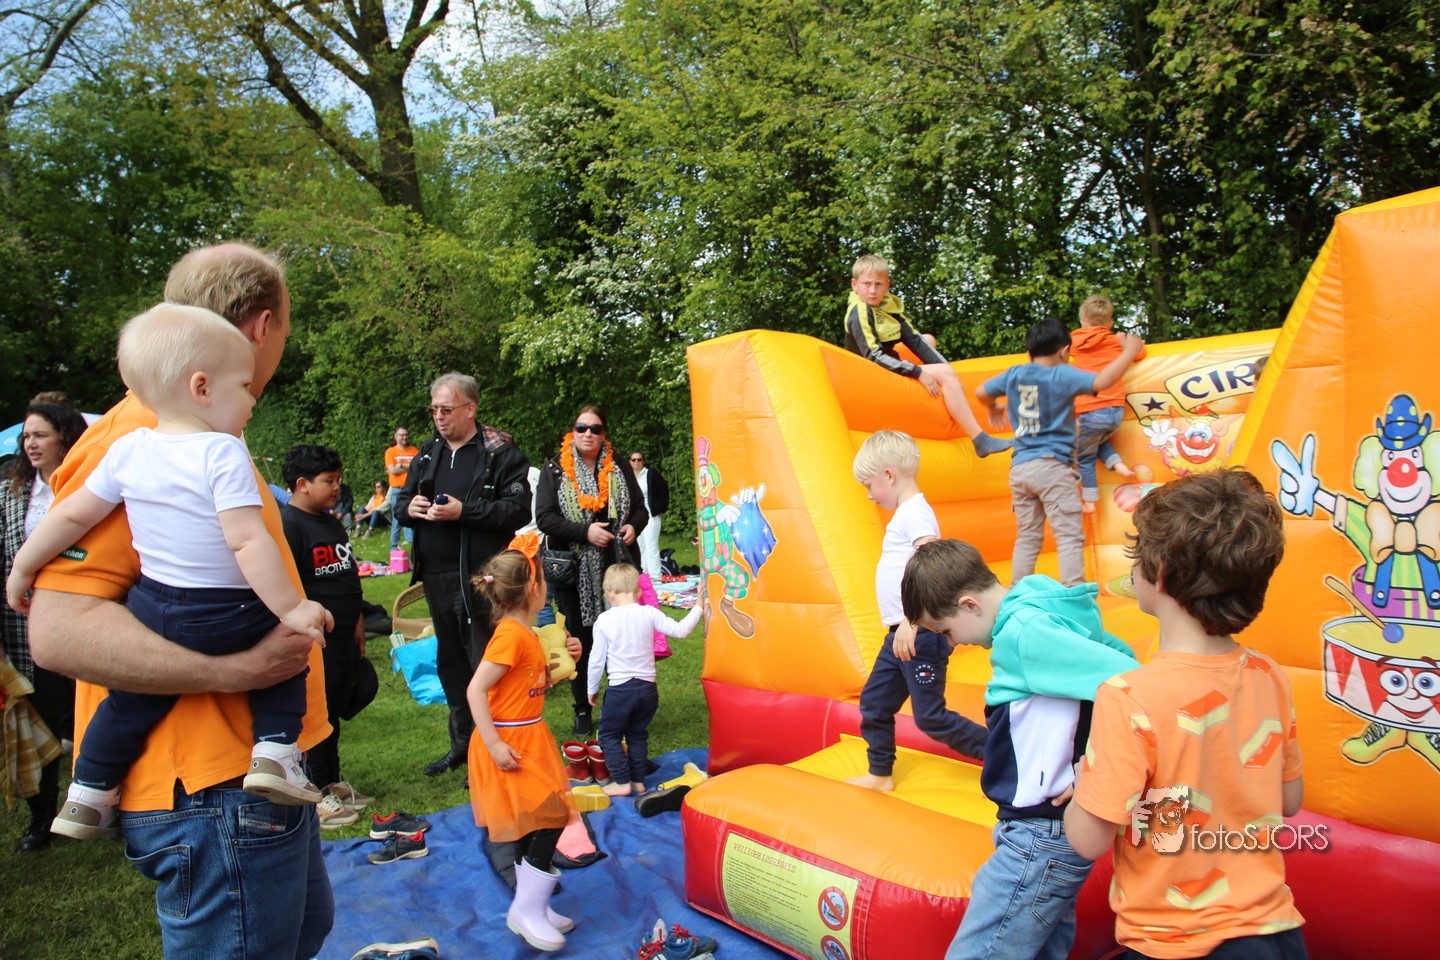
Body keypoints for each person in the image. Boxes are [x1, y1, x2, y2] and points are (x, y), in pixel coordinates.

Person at [27, 242, 335, 959]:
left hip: (245, 778)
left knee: (304, 933)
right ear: (261, 327)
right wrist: (235, 672)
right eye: (286, 329)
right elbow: (60, 631)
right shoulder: (134, 438)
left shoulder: (200, 429)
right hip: (207, 792)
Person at [1066, 470, 1306, 959]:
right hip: (1275, 931)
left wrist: (1085, 781)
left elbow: (1087, 841)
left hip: (1177, 942)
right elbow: (1290, 799)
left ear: (1156, 573)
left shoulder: (1129, 695)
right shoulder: (1270, 675)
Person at [900, 538, 1139, 960]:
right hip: (1047, 831)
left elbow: (1134, 682)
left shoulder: (1024, 633)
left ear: (970, 605)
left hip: (1039, 835)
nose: (950, 644)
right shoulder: (1040, 610)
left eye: (945, 631)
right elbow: (1117, 655)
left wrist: (1097, 766)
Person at [398, 372, 531, 778]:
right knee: (451, 663)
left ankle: (496, 746)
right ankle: (463, 746)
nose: (439, 417)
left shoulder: (499, 453)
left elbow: (517, 510)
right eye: (434, 410)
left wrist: (464, 511)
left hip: (481, 579)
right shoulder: (428, 452)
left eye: (446, 409)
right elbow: (402, 500)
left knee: (485, 662)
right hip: (436, 576)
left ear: (470, 408)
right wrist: (410, 509)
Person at [845, 431, 986, 793]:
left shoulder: (915, 513)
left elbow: (932, 565)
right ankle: (880, 774)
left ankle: (1006, 758)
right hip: (900, 635)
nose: (869, 495)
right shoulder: (905, 514)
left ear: (889, 475)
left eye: (869, 485)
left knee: (931, 717)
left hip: (917, 633)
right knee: (874, 703)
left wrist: (912, 620)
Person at [468, 534, 582, 952]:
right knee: (551, 816)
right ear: (533, 588)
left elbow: (528, 683)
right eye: (544, 580)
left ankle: (534, 904)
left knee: (538, 820)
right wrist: (494, 744)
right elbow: (476, 690)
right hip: (510, 741)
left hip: (529, 735)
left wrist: (565, 659)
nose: (547, 587)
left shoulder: (526, 633)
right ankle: (527, 908)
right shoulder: (510, 637)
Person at [978, 318, 1145, 586]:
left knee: (1028, 537)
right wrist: (1128, 352)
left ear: (1029, 352)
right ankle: (1075, 592)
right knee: (1069, 537)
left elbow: (981, 392)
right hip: (1053, 467)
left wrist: (993, 406)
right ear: (1065, 351)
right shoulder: (1061, 374)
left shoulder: (1014, 374)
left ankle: (1017, 594)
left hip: (1020, 468)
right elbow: (1101, 381)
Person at [1, 399, 89, 851]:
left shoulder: (87, 485)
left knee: (94, 710)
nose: (30, 444)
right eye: (26, 437)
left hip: (86, 616)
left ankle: (106, 800)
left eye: (40, 435)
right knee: (43, 718)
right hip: (26, 625)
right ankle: (42, 816)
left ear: (64, 437)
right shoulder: (11, 493)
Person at [536, 404, 649, 736]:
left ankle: (619, 702)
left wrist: (634, 526)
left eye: (595, 429)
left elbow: (640, 509)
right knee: (580, 639)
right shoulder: (555, 469)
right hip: (574, 570)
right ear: (572, 432)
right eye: (581, 428)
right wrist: (584, 532)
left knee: (622, 637)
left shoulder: (619, 466)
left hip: (617, 568)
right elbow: (545, 517)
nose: (587, 434)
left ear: (604, 434)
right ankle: (582, 708)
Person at [280, 444, 375, 829]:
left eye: (338, 479)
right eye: (328, 481)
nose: (337, 487)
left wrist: (358, 622)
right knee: (314, 715)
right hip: (316, 641)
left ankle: (332, 781)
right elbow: (286, 587)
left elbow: (347, 575)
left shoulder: (331, 522)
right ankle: (315, 793)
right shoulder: (290, 526)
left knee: (332, 710)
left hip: (343, 636)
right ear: (302, 484)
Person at [844, 254, 1011, 458]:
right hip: (871, 372)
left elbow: (915, 340)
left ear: (887, 285)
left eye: (878, 284)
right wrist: (918, 372)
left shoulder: (887, 306)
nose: (872, 290)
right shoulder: (859, 311)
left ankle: (948, 386)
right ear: (854, 285)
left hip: (887, 363)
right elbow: (873, 356)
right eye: (867, 284)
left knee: (929, 340)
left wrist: (946, 370)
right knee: (945, 374)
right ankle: (980, 440)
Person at [587, 562, 703, 797]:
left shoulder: (604, 620)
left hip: (620, 691)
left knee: (609, 735)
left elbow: (596, 660)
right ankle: (638, 781)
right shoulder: (648, 612)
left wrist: (591, 689)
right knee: (637, 733)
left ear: (609, 592)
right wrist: (698, 606)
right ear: (638, 591)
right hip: (648, 690)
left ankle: (622, 781)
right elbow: (681, 630)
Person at [1071, 295, 1146, 509]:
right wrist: (1124, 342)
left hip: (1089, 411)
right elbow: (1140, 352)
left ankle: (1090, 501)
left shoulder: (1074, 342)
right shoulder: (1115, 341)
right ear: (1110, 323)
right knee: (1095, 441)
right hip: (1115, 411)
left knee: (1084, 457)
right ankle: (1119, 465)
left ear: (1082, 321)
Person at [628, 451, 669, 580]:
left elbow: (664, 490)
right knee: (640, 546)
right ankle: (644, 574)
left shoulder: (651, 474)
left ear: (643, 461)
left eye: (639, 459)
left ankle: (655, 576)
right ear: (629, 461)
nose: (636, 462)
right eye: (633, 460)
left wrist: (661, 509)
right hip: (636, 517)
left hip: (651, 515)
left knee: (651, 545)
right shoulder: (628, 476)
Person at [385, 426, 418, 551]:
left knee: (413, 515)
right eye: (401, 435)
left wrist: (401, 465)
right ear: (396, 437)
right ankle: (393, 548)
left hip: (412, 489)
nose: (404, 437)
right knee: (397, 519)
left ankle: (412, 544)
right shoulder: (391, 452)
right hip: (397, 490)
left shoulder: (414, 450)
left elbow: (419, 468)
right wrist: (410, 467)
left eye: (406, 435)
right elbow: (392, 470)